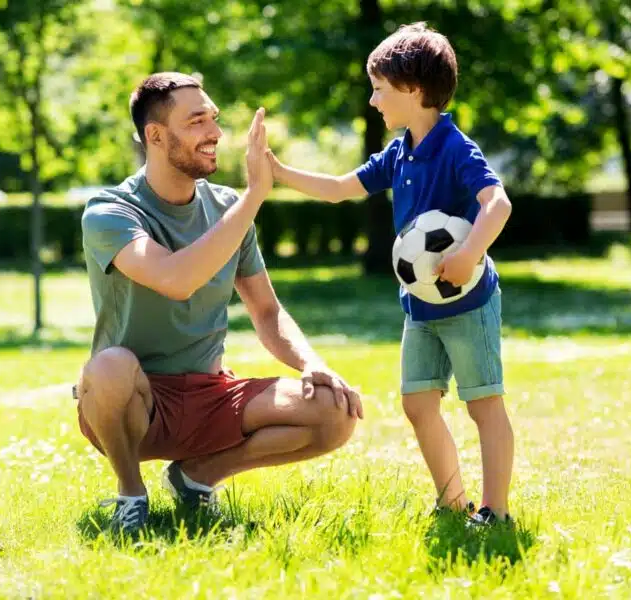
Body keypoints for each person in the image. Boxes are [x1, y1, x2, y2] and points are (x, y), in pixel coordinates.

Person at [75, 72, 363, 535]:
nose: (214, 133)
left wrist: (311, 361)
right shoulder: (110, 212)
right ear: (155, 135)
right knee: (109, 365)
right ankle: (131, 493)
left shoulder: (228, 209)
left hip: (210, 393)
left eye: (214, 119)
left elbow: (267, 312)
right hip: (134, 399)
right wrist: (253, 198)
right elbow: (176, 279)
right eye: (196, 121)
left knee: (333, 410)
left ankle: (196, 477)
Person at [265, 24, 515, 526]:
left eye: (379, 87)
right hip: (420, 305)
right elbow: (339, 187)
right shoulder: (399, 151)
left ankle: (496, 511)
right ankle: (452, 502)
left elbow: (498, 203)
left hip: (467, 302)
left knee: (483, 405)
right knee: (418, 403)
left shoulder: (455, 148)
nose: (374, 99)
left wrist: (470, 252)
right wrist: (276, 171)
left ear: (413, 90)